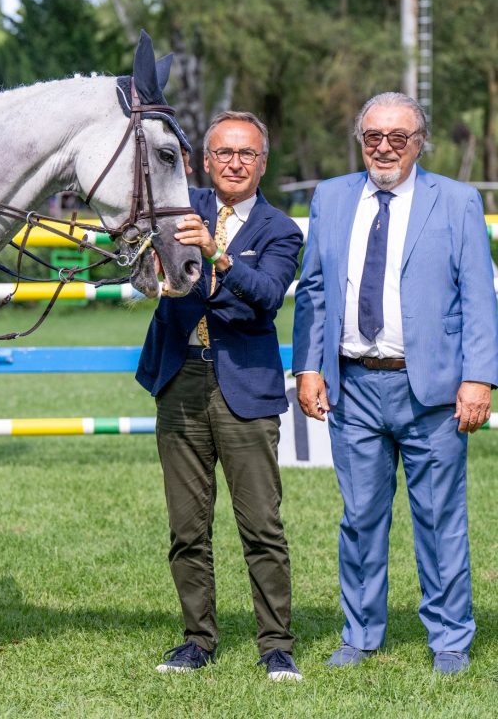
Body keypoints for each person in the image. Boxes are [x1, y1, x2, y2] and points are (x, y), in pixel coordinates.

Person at [293, 92, 498, 675]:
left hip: (432, 391)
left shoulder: (457, 201)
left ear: (420, 142)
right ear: (361, 140)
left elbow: (480, 298)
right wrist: (308, 366)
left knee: (439, 520)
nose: (384, 147)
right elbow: (312, 291)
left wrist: (479, 377)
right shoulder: (330, 198)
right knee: (359, 519)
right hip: (353, 386)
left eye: (398, 137)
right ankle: (359, 634)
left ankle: (451, 640)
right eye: (373, 137)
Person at [136, 111, 304, 681]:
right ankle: (197, 640)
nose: (235, 163)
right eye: (224, 153)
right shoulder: (178, 206)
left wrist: (217, 256)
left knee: (261, 526)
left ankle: (275, 645)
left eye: (247, 154)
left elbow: (264, 296)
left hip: (246, 388)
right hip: (179, 378)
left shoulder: (281, 230)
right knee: (187, 527)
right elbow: (148, 261)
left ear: (263, 163)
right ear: (205, 162)